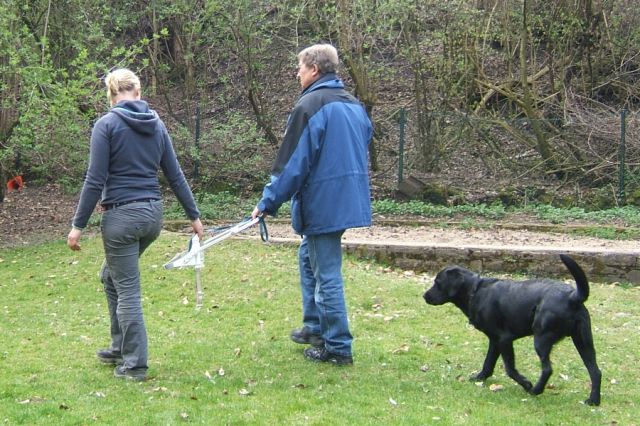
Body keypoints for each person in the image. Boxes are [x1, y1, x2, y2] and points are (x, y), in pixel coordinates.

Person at [67, 68, 203, 381]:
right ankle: (120, 347)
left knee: (126, 288)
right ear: (138, 93)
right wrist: (194, 216)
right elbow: (176, 175)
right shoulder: (157, 124)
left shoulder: (106, 125)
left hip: (122, 218)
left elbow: (94, 179)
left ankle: (135, 364)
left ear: (111, 95)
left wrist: (78, 225)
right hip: (152, 216)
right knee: (110, 277)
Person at [252, 44, 372, 365]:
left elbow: (292, 163)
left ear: (315, 70)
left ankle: (337, 346)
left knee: (327, 274)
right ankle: (314, 325)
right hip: (346, 199)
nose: (297, 73)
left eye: (300, 67)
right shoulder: (353, 105)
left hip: (325, 202)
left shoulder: (310, 105)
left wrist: (267, 202)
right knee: (308, 257)